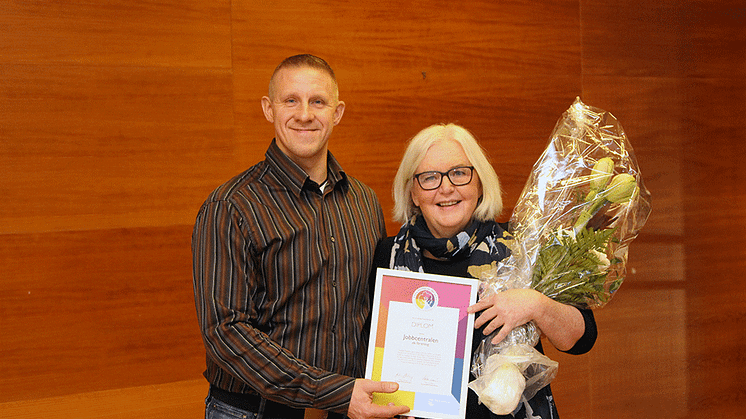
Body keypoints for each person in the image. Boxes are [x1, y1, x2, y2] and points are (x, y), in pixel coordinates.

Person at [192, 54, 411, 419]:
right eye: (290, 100)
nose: (305, 114)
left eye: (318, 101)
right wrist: (333, 392)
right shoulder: (231, 206)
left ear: (337, 112)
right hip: (255, 412)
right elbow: (225, 331)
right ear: (268, 108)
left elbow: (374, 306)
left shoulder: (364, 201)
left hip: (350, 410)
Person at [370, 123, 597, 418]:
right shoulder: (388, 255)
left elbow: (581, 339)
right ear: (413, 193)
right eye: (429, 177)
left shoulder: (521, 247)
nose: (446, 188)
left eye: (459, 173)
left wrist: (535, 304)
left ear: (479, 184)